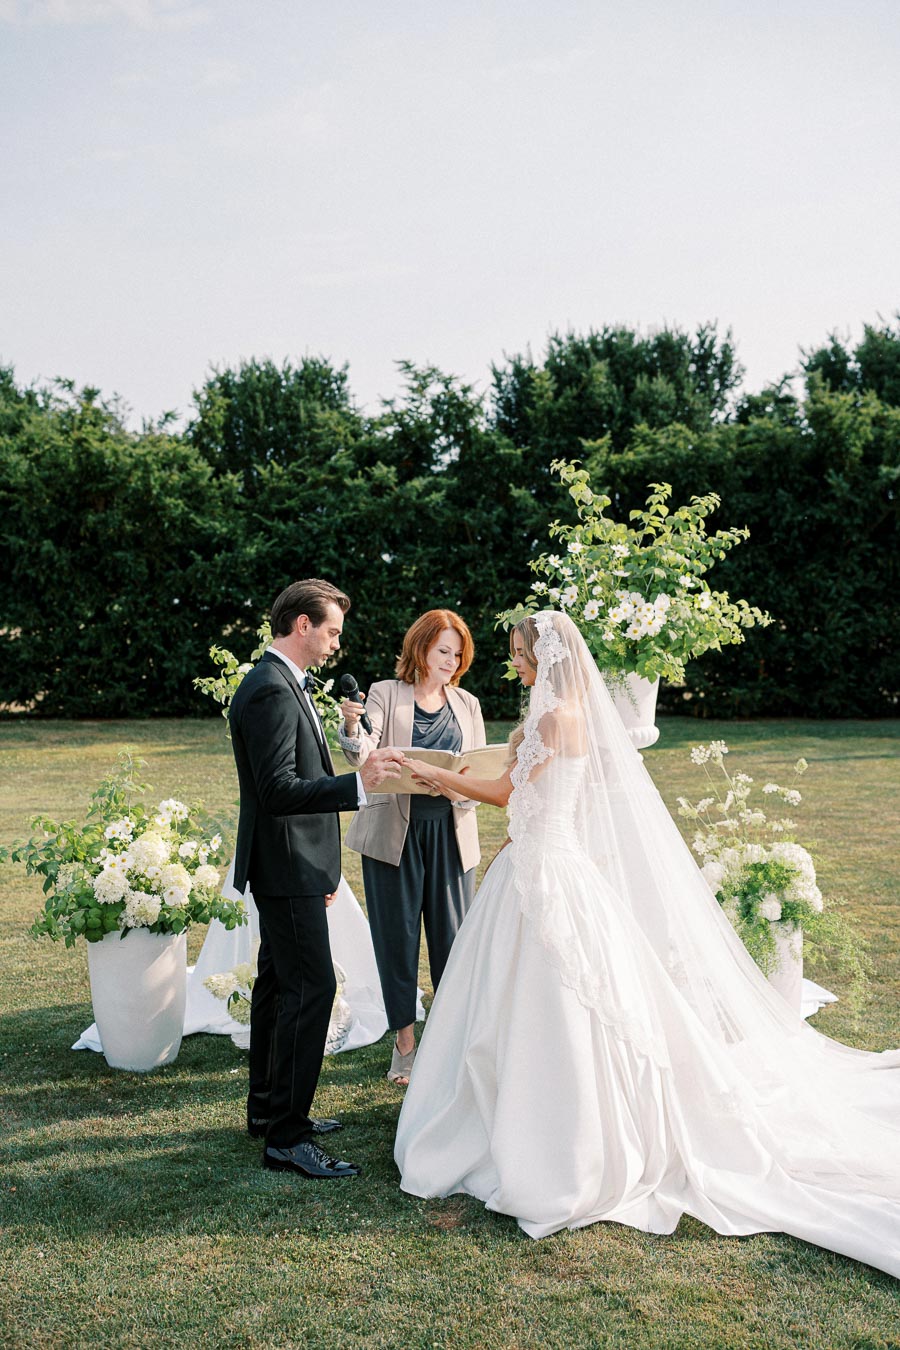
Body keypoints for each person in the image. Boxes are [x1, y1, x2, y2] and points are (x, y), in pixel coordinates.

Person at [394, 611, 900, 1278]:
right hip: (548, 866)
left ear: (549, 658)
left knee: (548, 1002)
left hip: (545, 878)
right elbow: (533, 804)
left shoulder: (552, 721)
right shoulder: (563, 717)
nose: (514, 663)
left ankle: (548, 1137)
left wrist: (430, 774)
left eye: (521, 655)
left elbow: (503, 794)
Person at [229, 578, 403, 1180]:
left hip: (290, 861)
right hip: (287, 863)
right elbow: (277, 791)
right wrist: (360, 785)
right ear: (301, 625)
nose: (335, 645)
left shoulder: (277, 681)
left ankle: (267, 1112)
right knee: (311, 989)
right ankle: (287, 1138)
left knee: (278, 986)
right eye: (330, 632)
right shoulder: (271, 691)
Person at [339, 609, 486, 1085]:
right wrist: (351, 727)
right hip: (392, 839)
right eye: (444, 649)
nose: (451, 660)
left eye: (458, 653)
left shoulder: (467, 704)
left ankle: (447, 1043)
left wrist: (453, 785)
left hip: (451, 835)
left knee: (453, 943)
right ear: (421, 647)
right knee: (396, 941)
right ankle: (404, 1045)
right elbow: (364, 753)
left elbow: (479, 771)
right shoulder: (385, 693)